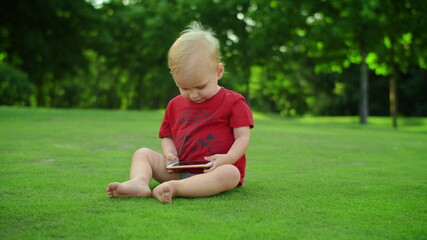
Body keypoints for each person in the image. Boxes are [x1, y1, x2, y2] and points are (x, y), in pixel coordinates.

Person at [106, 22, 254, 203]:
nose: (193, 95)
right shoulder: (174, 105)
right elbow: (167, 136)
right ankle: (139, 182)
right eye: (184, 87)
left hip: (214, 172)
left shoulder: (233, 101)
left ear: (218, 71)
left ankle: (176, 189)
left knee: (231, 173)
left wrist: (227, 158)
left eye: (200, 86)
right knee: (142, 153)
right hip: (178, 171)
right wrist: (169, 153)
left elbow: (242, 137)